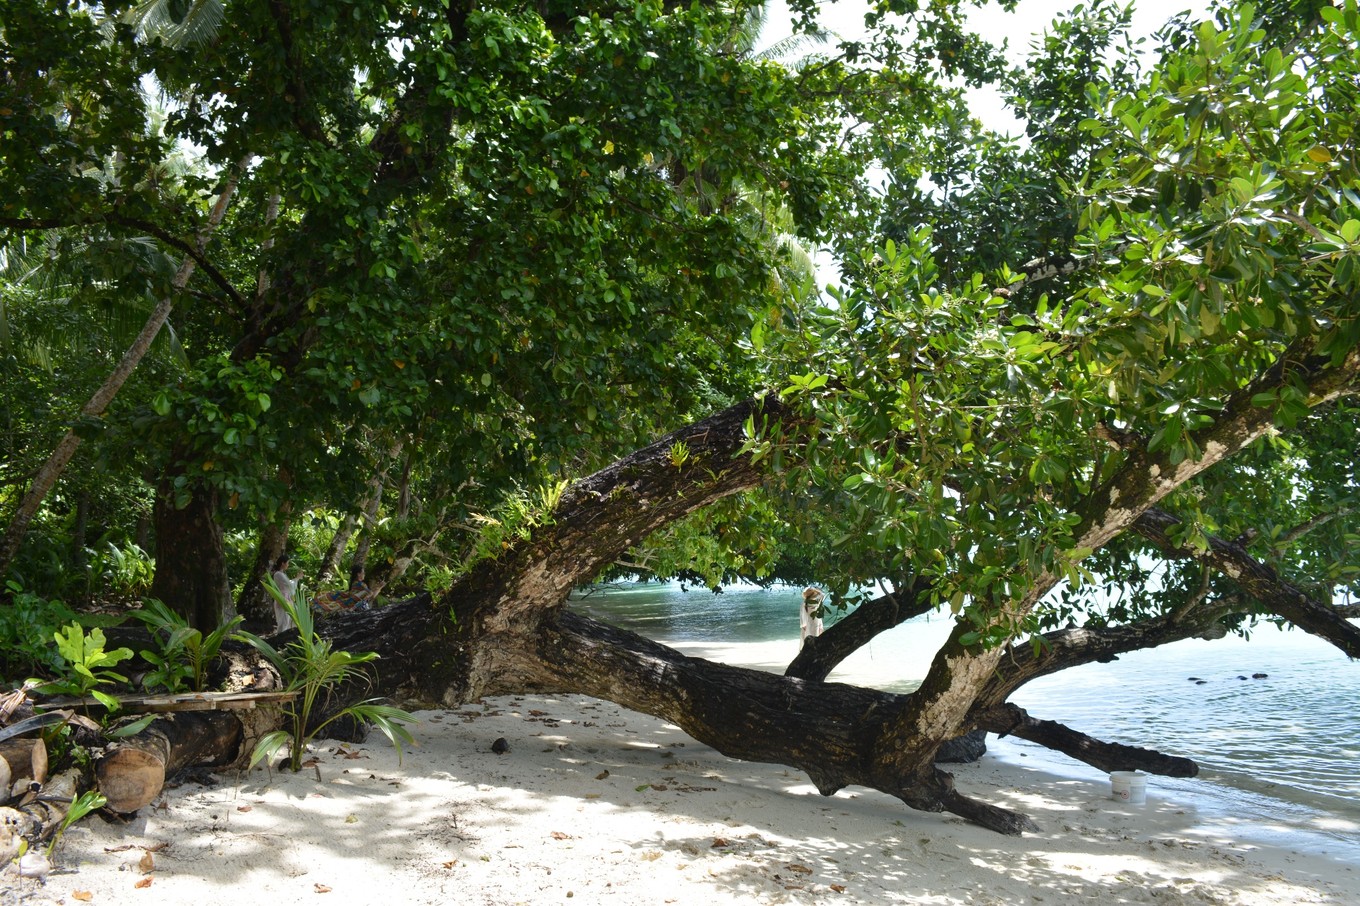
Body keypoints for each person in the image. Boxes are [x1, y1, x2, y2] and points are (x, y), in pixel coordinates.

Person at [271, 554, 298, 633]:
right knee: (284, 620)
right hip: (282, 598)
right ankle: (280, 638)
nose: (288, 565)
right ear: (283, 563)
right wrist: (297, 578)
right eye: (287, 563)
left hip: (287, 599)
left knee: (290, 619)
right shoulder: (278, 574)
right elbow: (289, 585)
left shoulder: (283, 574)